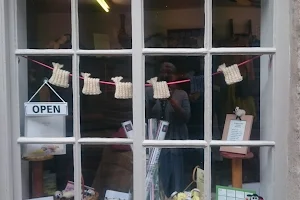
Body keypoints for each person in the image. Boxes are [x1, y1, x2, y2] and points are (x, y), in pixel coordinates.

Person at [146, 62, 191, 198]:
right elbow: (145, 116)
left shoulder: (181, 94)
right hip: (156, 141)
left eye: (169, 72)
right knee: (159, 174)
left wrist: (171, 100)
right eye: (162, 72)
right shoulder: (150, 92)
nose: (165, 75)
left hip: (176, 139)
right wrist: (154, 100)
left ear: (175, 76)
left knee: (177, 174)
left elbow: (186, 117)